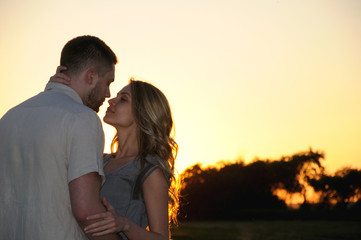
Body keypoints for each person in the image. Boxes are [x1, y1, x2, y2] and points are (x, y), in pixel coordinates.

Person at [0, 35, 122, 240]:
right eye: (108, 82)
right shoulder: (83, 119)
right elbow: (87, 212)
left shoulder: (9, 117)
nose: (109, 93)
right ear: (91, 76)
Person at [50, 71, 179, 240]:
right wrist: (57, 90)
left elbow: (162, 237)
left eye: (123, 99)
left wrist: (125, 225)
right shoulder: (98, 160)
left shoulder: (149, 170)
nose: (111, 100)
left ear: (142, 114)